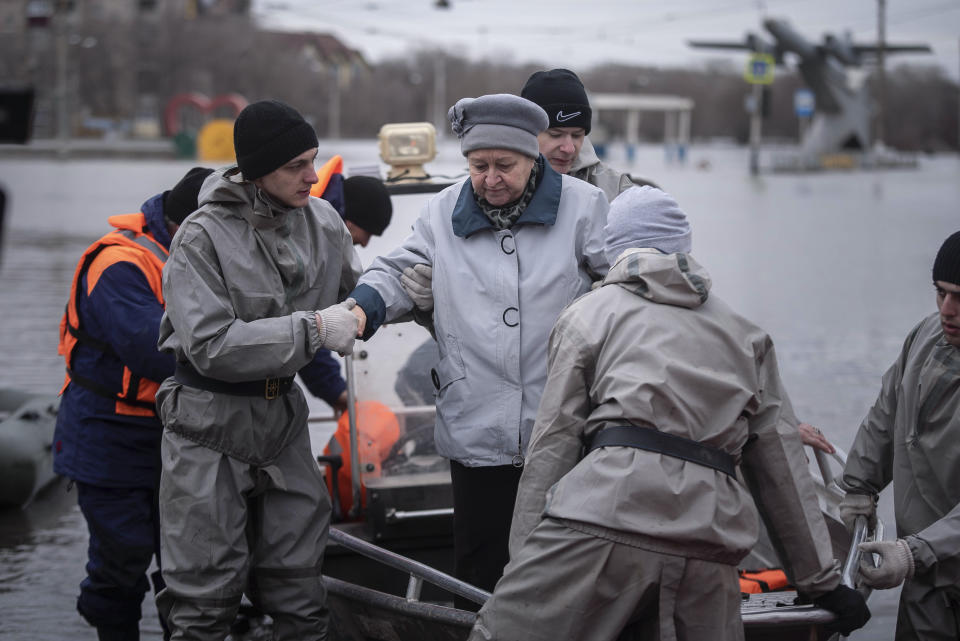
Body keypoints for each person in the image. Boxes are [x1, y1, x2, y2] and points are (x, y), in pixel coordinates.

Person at [468, 186, 871, 641]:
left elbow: (553, 446)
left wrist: (525, 562)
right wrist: (821, 582)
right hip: (709, 544)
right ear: (684, 247)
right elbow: (780, 467)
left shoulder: (587, 316)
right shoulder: (746, 336)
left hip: (603, 520)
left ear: (615, 247)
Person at [347, 93, 609, 604]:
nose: (490, 178)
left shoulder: (584, 207)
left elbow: (624, 281)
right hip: (477, 431)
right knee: (479, 578)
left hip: (561, 431)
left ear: (532, 158)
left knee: (562, 578)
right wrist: (358, 310)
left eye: (504, 165)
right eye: (478, 165)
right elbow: (397, 271)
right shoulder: (443, 210)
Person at [154, 99, 363, 640]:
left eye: (313, 160)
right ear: (257, 169)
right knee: (204, 601)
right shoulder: (200, 237)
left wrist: (407, 291)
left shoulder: (323, 222)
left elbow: (360, 296)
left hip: (282, 419)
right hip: (207, 424)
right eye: (297, 165)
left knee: (301, 590)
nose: (312, 176)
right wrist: (315, 329)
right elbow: (211, 346)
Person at [53, 166, 212, 641]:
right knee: (120, 561)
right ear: (186, 227)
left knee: (188, 565)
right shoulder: (118, 262)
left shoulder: (203, 258)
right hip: (108, 437)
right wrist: (241, 356)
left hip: (176, 436)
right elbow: (151, 350)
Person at [839, 229, 960, 641]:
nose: (948, 309)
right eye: (940, 293)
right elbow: (886, 417)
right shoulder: (925, 338)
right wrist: (858, 488)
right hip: (925, 581)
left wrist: (912, 552)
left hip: (928, 556)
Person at [299, 172, 394, 413]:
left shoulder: (312, 225)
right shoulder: (312, 238)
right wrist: (338, 392)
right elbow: (308, 324)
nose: (365, 244)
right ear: (349, 223)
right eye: (368, 233)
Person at [520, 67, 655, 201]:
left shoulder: (616, 192)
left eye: (577, 135)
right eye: (556, 135)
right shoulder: (501, 185)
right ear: (527, 133)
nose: (569, 148)